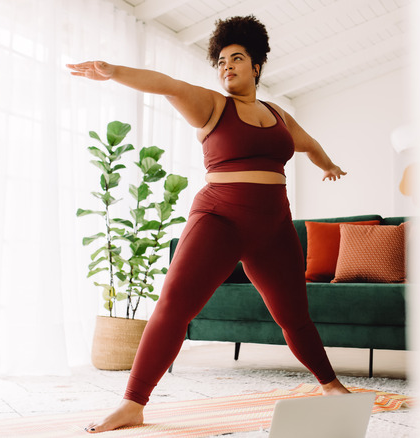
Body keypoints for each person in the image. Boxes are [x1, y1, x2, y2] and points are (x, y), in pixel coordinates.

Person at [67, 15, 350, 433]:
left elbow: (309, 144)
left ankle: (331, 386)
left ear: (257, 66)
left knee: (295, 317)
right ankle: (133, 403)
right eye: (220, 60)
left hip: (274, 228)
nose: (226, 66)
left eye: (237, 58)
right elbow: (166, 84)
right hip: (220, 219)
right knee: (174, 306)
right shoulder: (212, 106)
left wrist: (329, 166)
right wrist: (115, 73)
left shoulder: (279, 116)